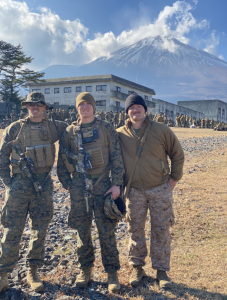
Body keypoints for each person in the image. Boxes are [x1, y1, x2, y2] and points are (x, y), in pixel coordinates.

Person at [57, 92, 124, 293]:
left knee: (106, 231)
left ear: (94, 107)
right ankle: (85, 269)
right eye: (81, 104)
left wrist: (117, 184)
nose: (85, 107)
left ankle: (112, 273)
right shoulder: (70, 131)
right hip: (79, 188)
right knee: (82, 230)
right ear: (77, 108)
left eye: (88, 104)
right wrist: (68, 183)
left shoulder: (106, 128)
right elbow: (61, 160)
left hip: (103, 185)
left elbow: (117, 156)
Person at [0, 92, 67, 293]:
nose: (35, 107)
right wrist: (8, 183)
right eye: (31, 104)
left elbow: (76, 130)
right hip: (20, 184)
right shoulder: (15, 128)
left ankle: (33, 270)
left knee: (40, 229)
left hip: (44, 183)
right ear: (26, 106)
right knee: (12, 229)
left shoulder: (54, 127)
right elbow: (2, 157)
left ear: (44, 107)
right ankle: (3, 273)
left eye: (39, 104)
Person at [117, 94, 184, 288]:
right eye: (132, 108)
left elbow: (177, 155)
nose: (136, 110)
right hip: (134, 191)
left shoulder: (161, 130)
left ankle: (161, 271)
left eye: (139, 107)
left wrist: (173, 180)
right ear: (127, 112)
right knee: (135, 230)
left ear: (146, 110)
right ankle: (137, 267)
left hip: (159, 189)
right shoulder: (119, 133)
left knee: (161, 230)